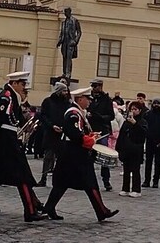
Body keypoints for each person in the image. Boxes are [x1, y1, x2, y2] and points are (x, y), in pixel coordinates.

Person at [0, 71, 46, 223]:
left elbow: (15, 120)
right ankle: (30, 211)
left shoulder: (13, 98)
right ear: (15, 83)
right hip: (3, 142)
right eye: (23, 84)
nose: (24, 87)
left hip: (6, 141)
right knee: (22, 176)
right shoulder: (6, 98)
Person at [43, 87, 119, 222]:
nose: (89, 101)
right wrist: (89, 140)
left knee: (63, 183)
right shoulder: (73, 114)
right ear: (80, 99)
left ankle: (50, 207)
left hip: (72, 153)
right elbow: (74, 134)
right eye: (87, 99)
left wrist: (90, 135)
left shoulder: (78, 113)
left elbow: (78, 132)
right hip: (75, 154)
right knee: (89, 184)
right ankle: (101, 211)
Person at [36, 82, 70, 187]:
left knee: (61, 158)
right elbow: (43, 116)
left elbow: (68, 116)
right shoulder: (48, 102)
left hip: (62, 134)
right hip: (50, 133)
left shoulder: (67, 103)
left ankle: (59, 179)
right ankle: (43, 178)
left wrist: (64, 127)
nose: (66, 93)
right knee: (48, 156)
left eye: (66, 91)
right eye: (64, 91)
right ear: (59, 91)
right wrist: (52, 126)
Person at [87, 79, 115, 191]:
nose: (94, 88)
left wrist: (101, 117)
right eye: (93, 86)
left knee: (104, 156)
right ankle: (88, 179)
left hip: (102, 131)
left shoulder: (106, 99)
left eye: (96, 86)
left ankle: (106, 180)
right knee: (88, 156)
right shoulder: (89, 98)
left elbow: (111, 116)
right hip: (90, 130)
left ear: (101, 86)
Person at [116, 101, 148, 198]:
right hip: (126, 149)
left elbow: (143, 134)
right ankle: (125, 188)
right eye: (131, 109)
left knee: (135, 170)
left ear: (139, 110)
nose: (133, 111)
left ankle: (136, 189)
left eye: (135, 109)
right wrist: (118, 147)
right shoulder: (126, 122)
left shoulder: (143, 122)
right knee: (126, 170)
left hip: (136, 150)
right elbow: (121, 135)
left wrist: (135, 124)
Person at [142, 98, 160, 188]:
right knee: (148, 162)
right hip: (150, 141)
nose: (156, 105)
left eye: (158, 103)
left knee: (158, 163)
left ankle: (156, 181)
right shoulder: (147, 114)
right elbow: (143, 127)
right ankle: (147, 181)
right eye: (154, 103)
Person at [56, 7, 82, 79]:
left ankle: (68, 73)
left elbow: (79, 32)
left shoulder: (75, 21)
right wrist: (59, 41)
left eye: (66, 12)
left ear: (69, 12)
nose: (65, 13)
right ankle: (64, 73)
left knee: (69, 58)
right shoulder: (64, 22)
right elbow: (62, 33)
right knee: (64, 57)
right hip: (64, 42)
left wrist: (75, 41)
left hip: (71, 42)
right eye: (64, 12)